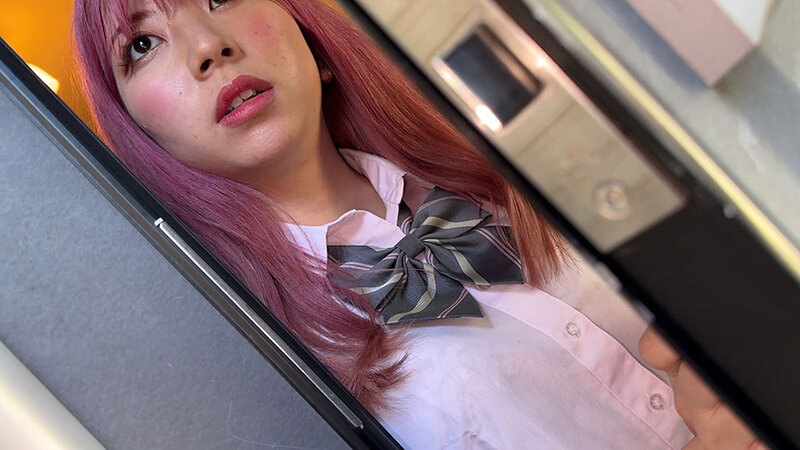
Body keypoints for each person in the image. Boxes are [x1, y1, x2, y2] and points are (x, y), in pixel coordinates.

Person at [71, 0, 765, 448]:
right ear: (142, 137)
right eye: (142, 44)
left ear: (306, 30)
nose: (206, 45)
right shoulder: (268, 376)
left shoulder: (511, 165)